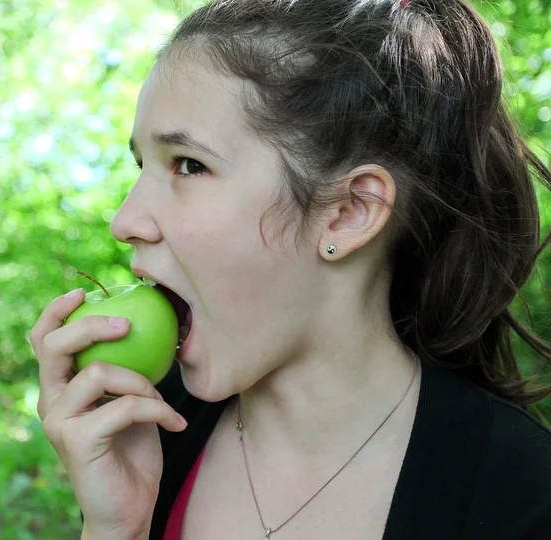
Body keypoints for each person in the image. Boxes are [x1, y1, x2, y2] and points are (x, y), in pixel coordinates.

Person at [29, 0, 551, 538]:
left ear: (349, 214)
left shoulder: (522, 498)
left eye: (189, 165)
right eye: (142, 166)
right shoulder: (149, 432)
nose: (125, 221)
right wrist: (116, 530)